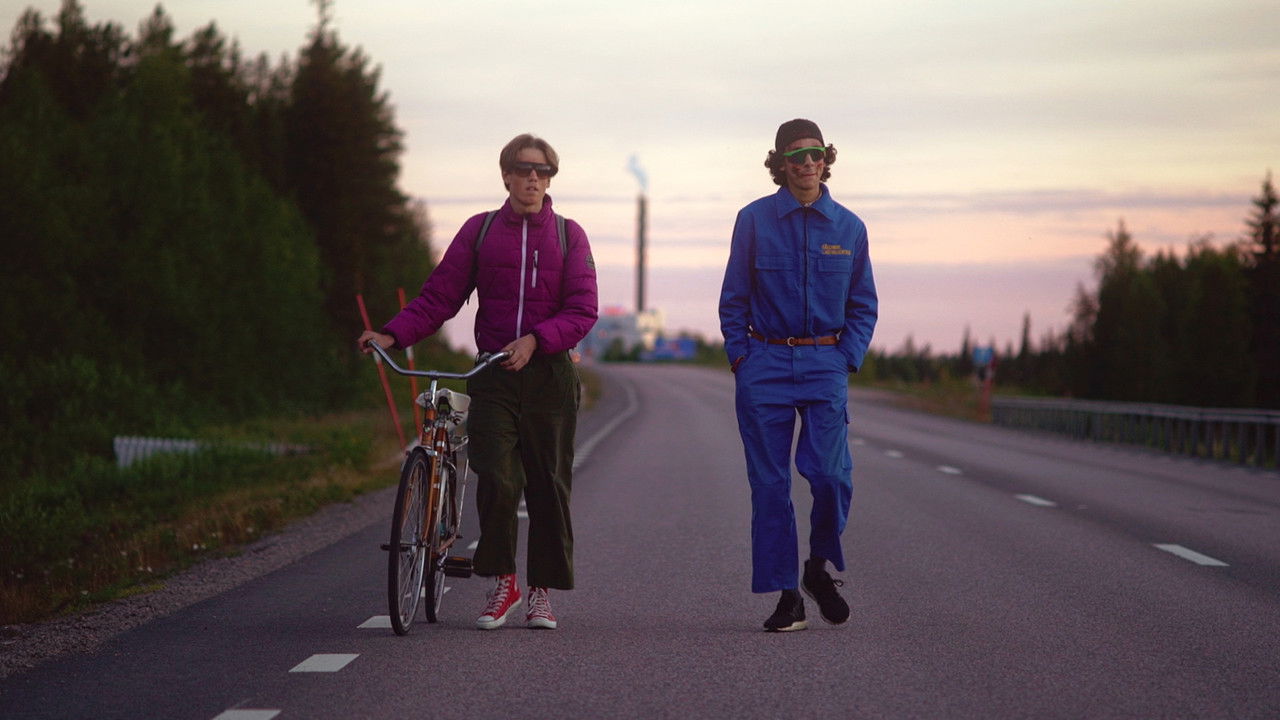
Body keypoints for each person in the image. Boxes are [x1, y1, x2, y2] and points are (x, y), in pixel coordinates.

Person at [359, 133, 598, 630]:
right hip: (492, 372)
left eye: (543, 171)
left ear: (550, 179)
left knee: (550, 486)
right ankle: (504, 582)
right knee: (497, 478)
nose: (533, 178)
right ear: (506, 175)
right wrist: (391, 334)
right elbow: (439, 297)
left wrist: (535, 340)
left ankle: (541, 592)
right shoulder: (481, 230)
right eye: (523, 169)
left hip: (550, 375)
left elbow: (583, 310)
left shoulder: (569, 236)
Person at [718, 118, 878, 632]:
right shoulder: (753, 220)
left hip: (825, 363)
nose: (807, 163)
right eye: (796, 155)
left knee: (831, 475)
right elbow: (733, 299)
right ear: (780, 163)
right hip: (764, 363)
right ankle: (788, 596)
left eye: (815, 153)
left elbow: (863, 304)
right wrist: (742, 359)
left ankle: (817, 567)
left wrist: (845, 358)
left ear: (826, 159)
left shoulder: (850, 228)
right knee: (770, 486)